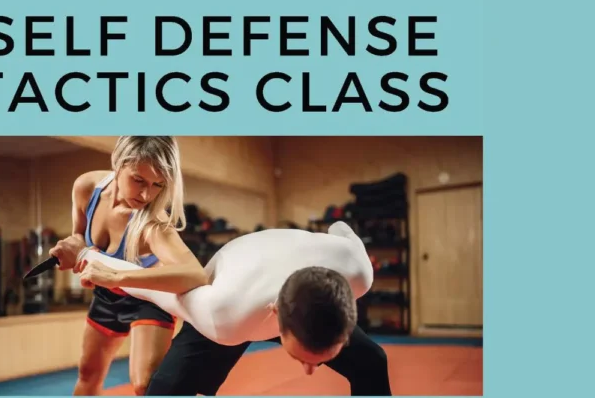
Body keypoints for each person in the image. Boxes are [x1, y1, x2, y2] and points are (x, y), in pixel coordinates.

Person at [61, 220, 392, 396]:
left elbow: (342, 230)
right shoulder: (224, 313)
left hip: (289, 275)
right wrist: (88, 258)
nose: (308, 371)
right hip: (233, 278)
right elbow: (157, 289)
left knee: (371, 361)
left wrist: (328, 236)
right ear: (276, 315)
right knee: (165, 390)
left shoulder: (358, 273)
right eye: (304, 359)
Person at [49, 136, 207, 396]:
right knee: (88, 374)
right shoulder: (87, 187)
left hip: (149, 300)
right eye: (139, 180)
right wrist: (69, 248)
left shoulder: (152, 223)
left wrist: (114, 275)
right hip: (107, 297)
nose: (147, 194)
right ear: (118, 163)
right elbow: (79, 236)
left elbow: (195, 274)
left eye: (158, 185)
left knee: (144, 384)